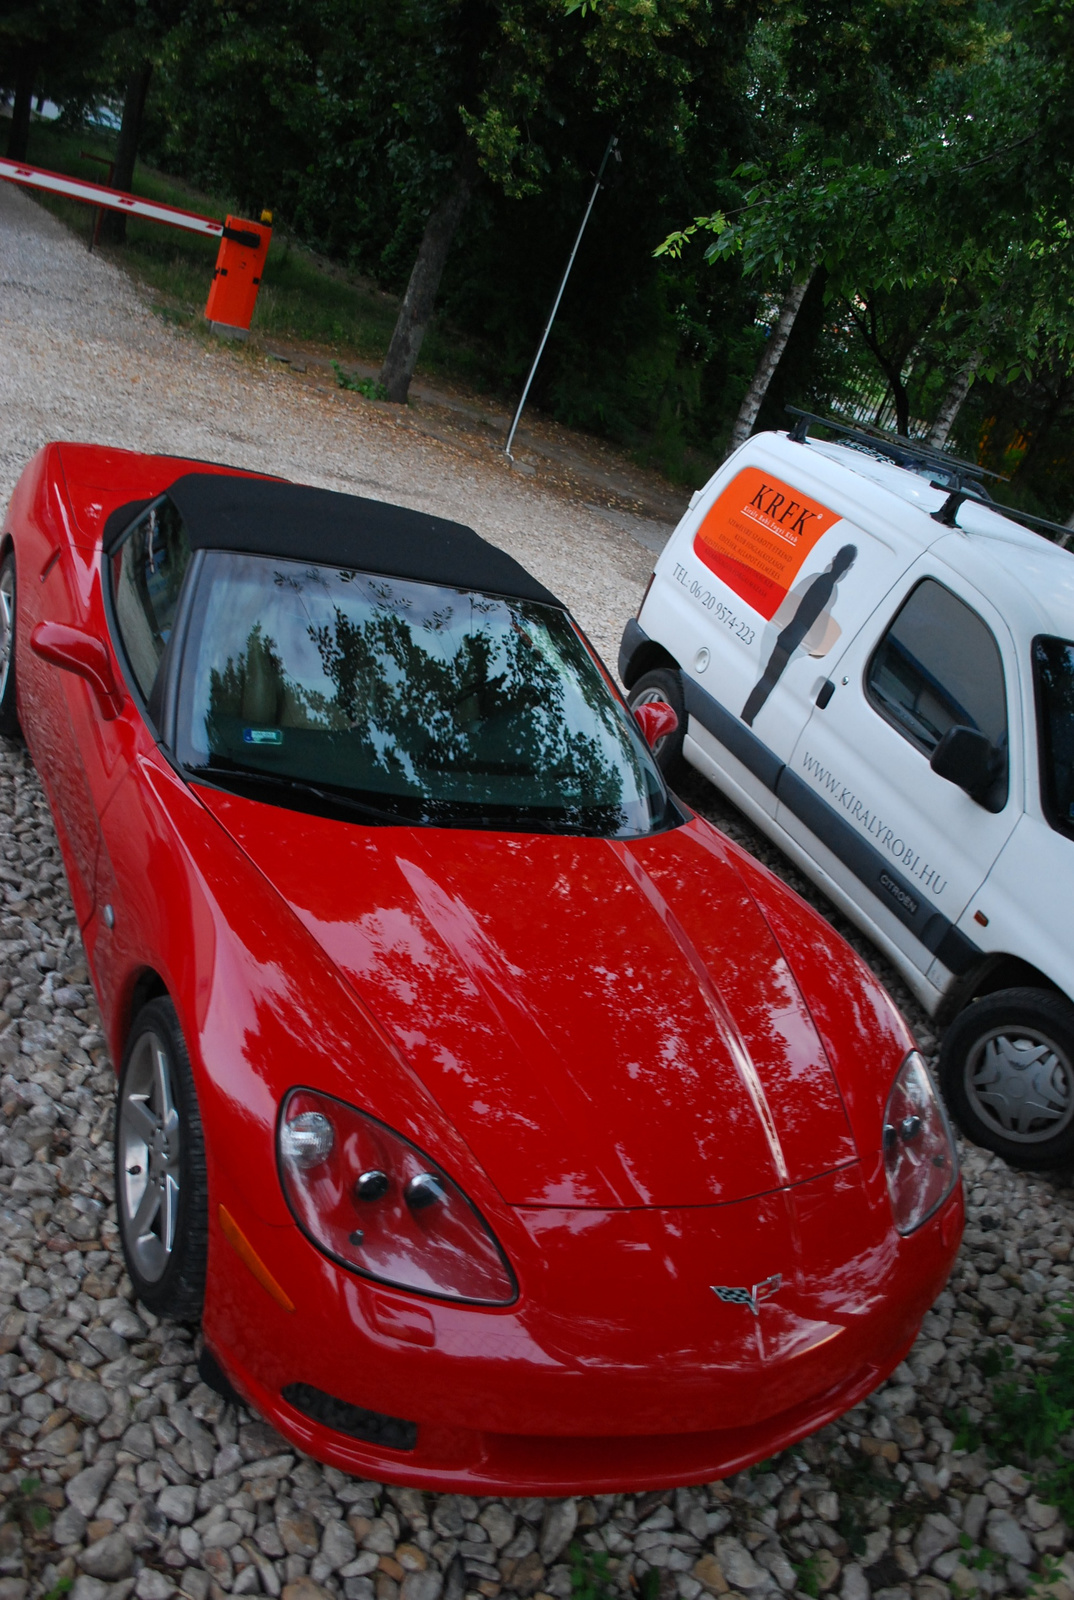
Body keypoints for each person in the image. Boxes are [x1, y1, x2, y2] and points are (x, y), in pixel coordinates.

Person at [741, 544, 858, 727]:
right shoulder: (824, 583)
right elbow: (803, 612)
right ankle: (748, 714)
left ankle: (749, 714)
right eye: (845, 562)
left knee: (769, 678)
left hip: (794, 637)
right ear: (844, 565)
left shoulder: (828, 586)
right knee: (768, 679)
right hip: (792, 636)